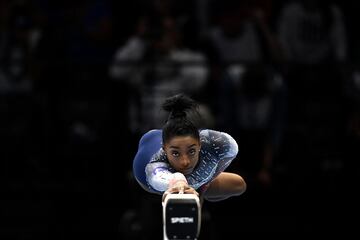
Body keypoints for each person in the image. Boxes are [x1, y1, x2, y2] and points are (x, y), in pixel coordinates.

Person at [132, 93, 246, 202]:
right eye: (176, 153)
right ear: (164, 149)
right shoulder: (154, 167)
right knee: (182, 193)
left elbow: (230, 153)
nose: (185, 161)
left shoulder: (221, 143)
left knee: (239, 185)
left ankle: (199, 187)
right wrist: (179, 183)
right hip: (147, 166)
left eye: (191, 151)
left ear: (200, 144)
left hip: (179, 145)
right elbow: (173, 179)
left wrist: (204, 185)